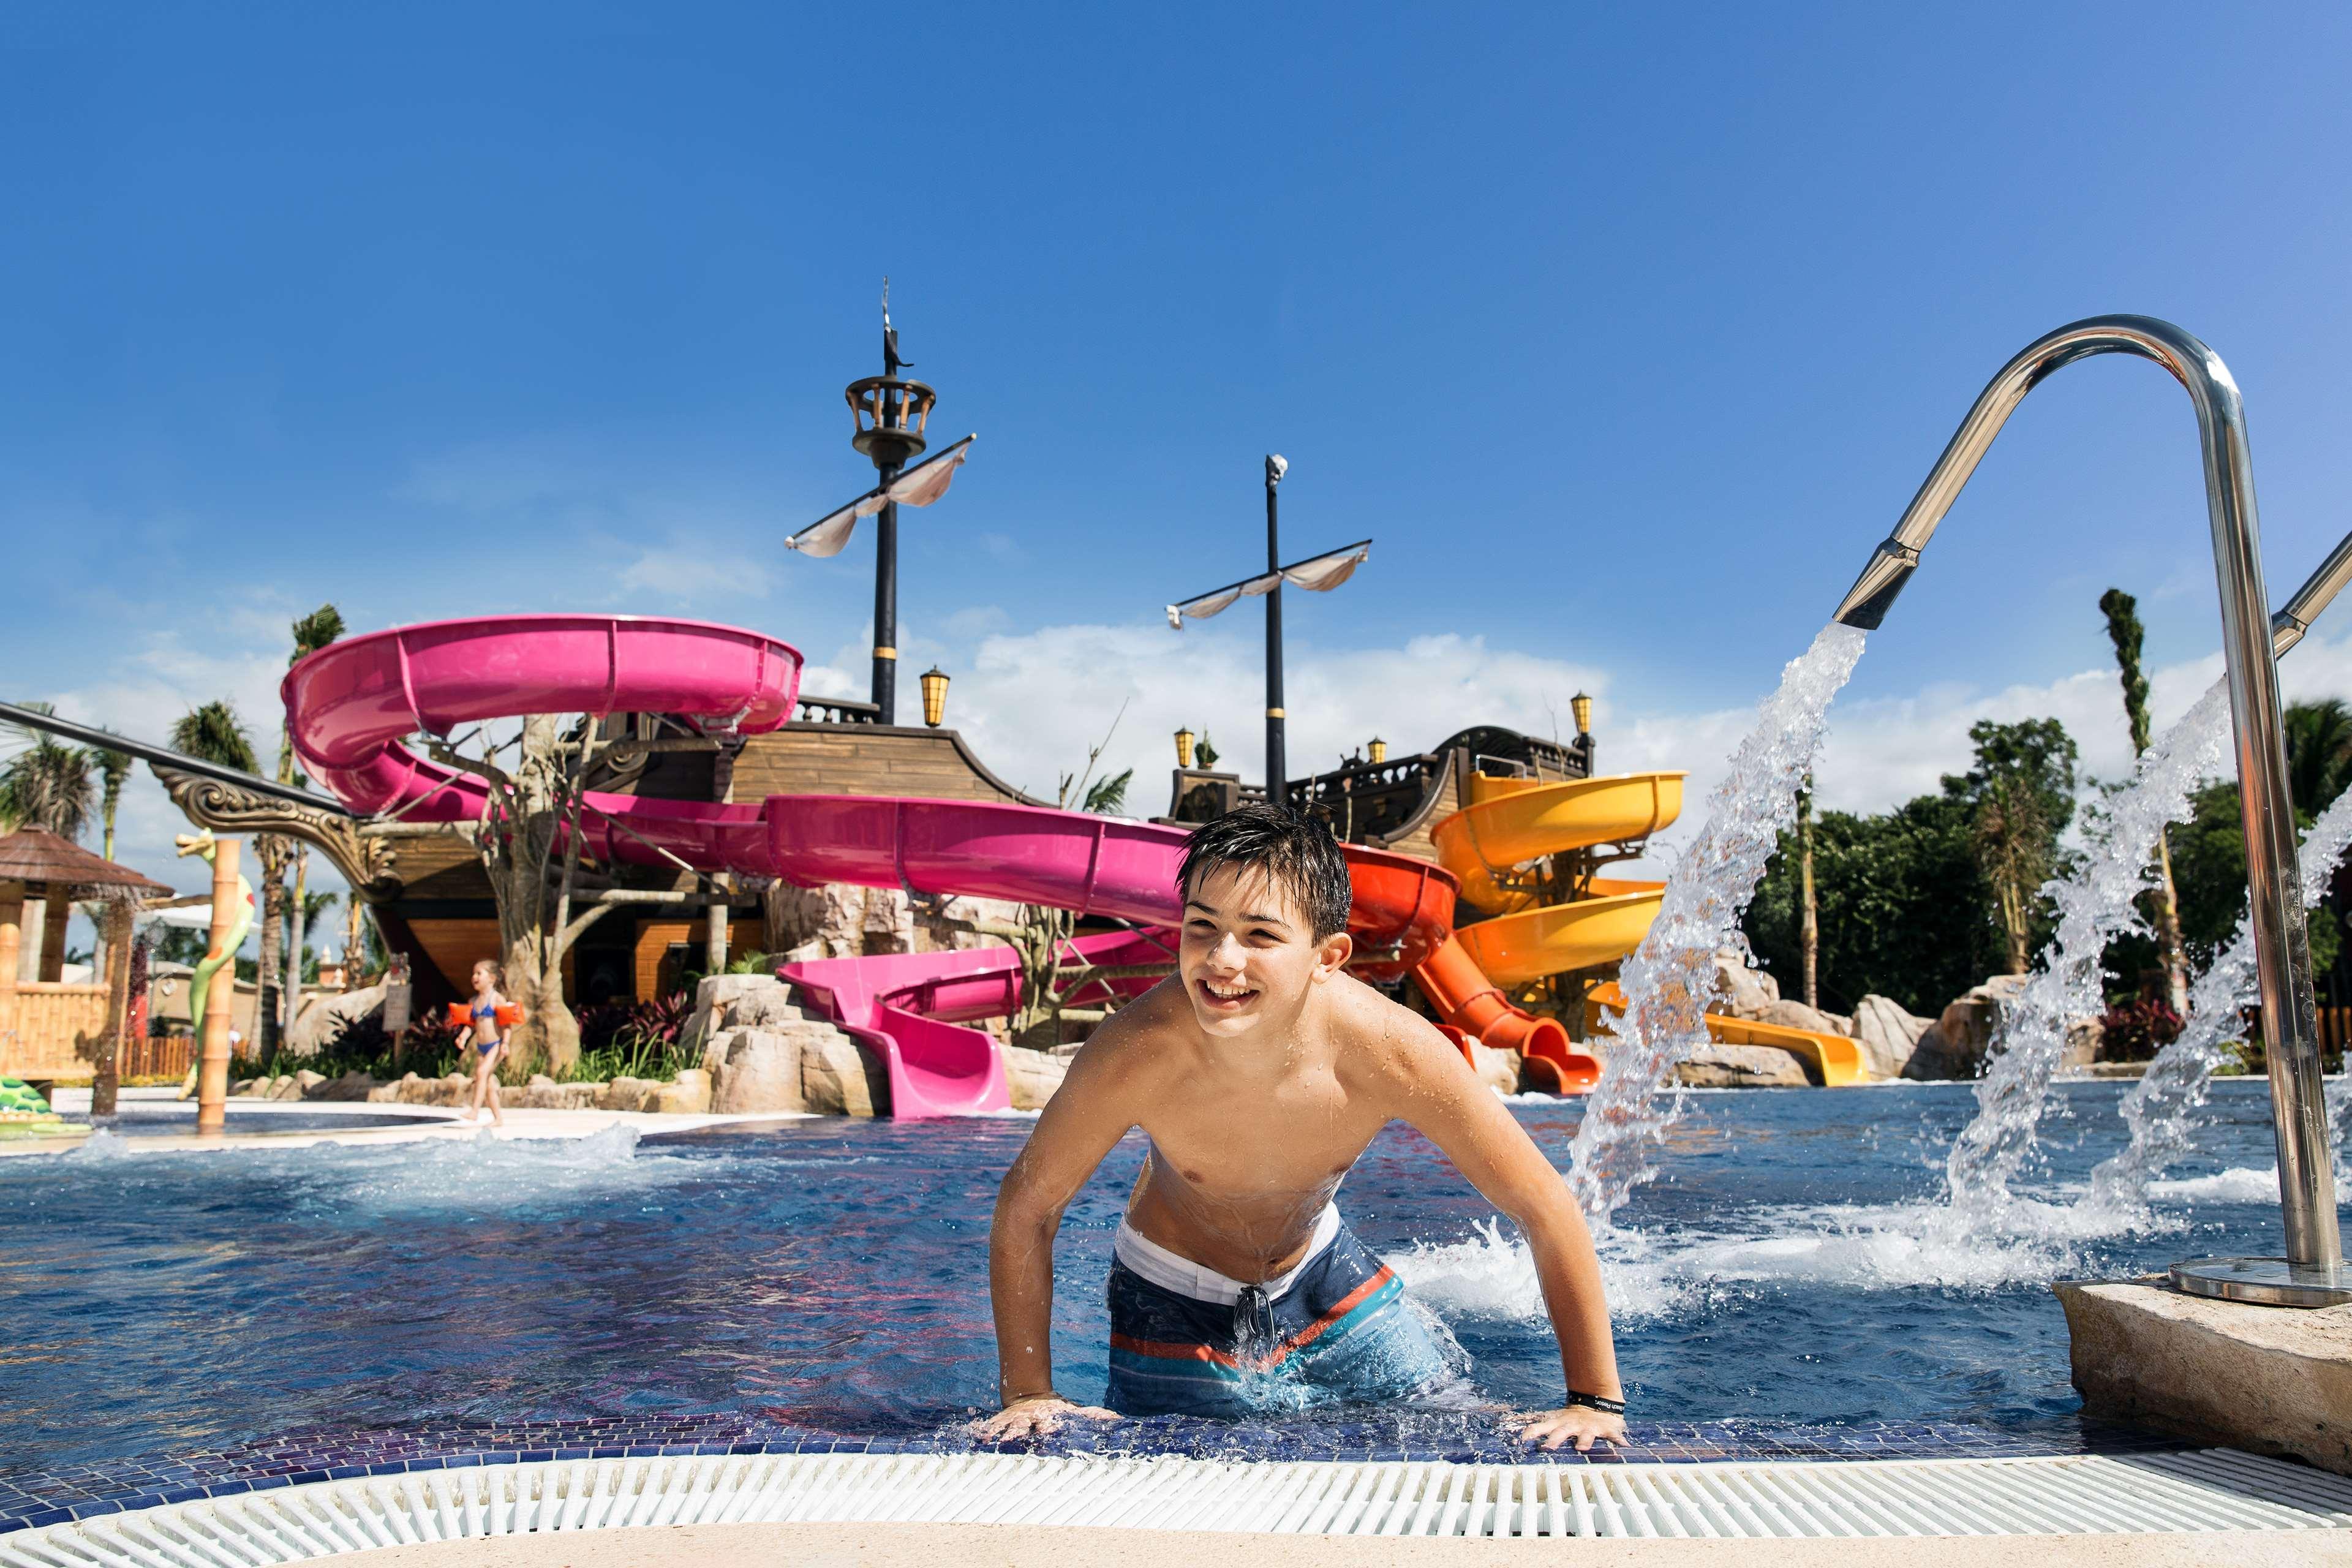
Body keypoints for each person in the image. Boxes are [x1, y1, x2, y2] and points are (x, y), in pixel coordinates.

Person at [979, 804, 1626, 1451]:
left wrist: (1593, 1401)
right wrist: (1029, 1392)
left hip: (1323, 1273)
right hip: (1171, 1300)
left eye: (1260, 935)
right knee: (1185, 1468)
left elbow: (1541, 1202)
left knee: (1467, 1425)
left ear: (1328, 956)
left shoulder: (1390, 1049)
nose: (1222, 959)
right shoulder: (1138, 1052)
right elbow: (1027, 1205)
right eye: (1202, 926)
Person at [458, 959, 507, 1128]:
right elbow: (471, 1024)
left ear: (492, 978)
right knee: (487, 1084)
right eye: (474, 973)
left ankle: (475, 1111)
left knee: (481, 1073)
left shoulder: (497, 999)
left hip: (495, 1044)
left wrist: (506, 1043)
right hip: (481, 1048)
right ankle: (498, 1119)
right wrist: (463, 1037)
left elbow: (506, 1024)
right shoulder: (474, 1001)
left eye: (479, 973)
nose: (474, 977)